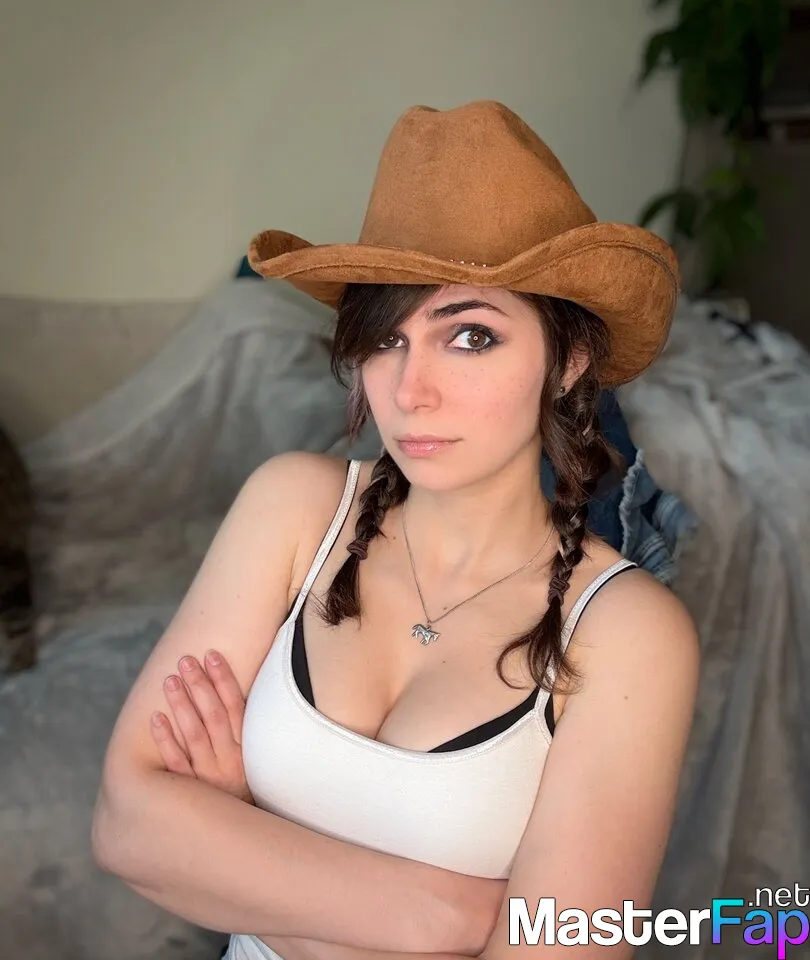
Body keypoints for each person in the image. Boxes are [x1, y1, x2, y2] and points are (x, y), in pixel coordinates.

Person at [92, 101, 700, 960]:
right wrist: (445, 920)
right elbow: (126, 821)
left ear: (567, 361)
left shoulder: (629, 632)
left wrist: (240, 844)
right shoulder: (294, 509)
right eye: (387, 339)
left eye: (471, 337)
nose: (411, 391)